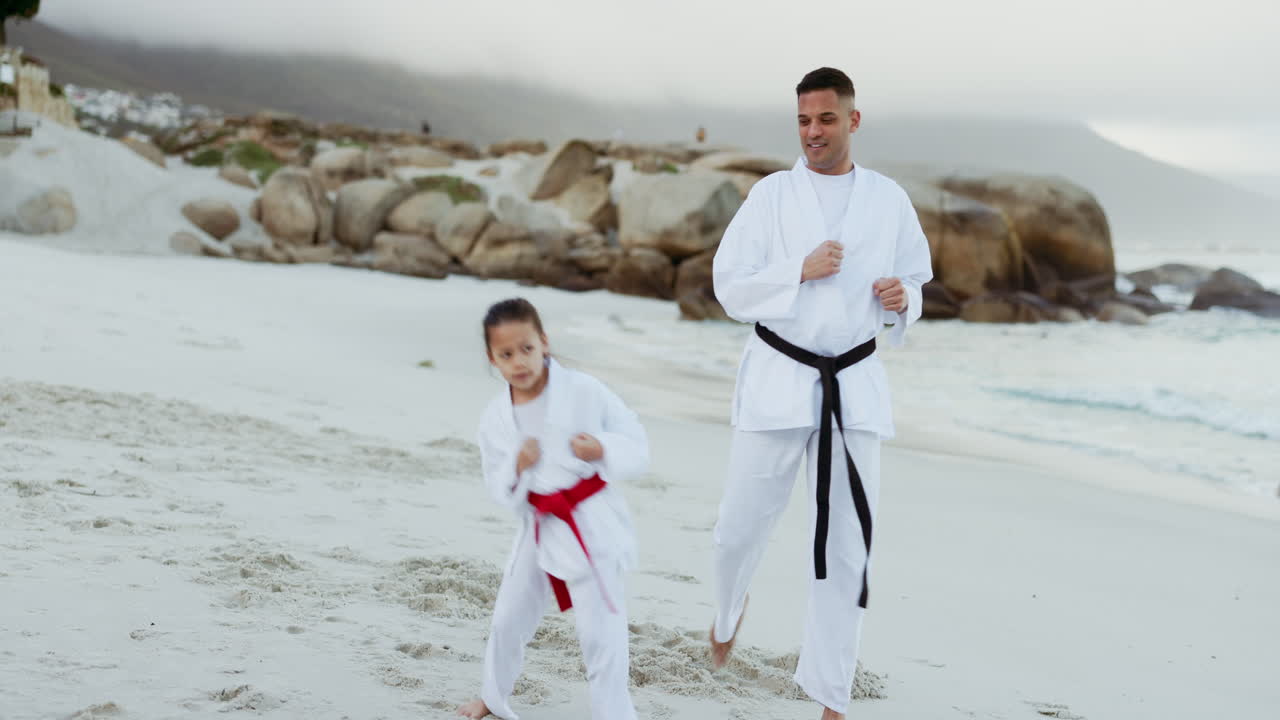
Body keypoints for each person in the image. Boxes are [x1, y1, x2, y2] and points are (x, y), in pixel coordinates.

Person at [708, 66, 933, 719]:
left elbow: (915, 279)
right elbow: (729, 285)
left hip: (855, 383)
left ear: (852, 121)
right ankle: (728, 608)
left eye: (826, 119)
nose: (813, 131)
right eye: (804, 120)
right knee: (736, 530)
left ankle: (830, 692)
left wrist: (903, 301)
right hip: (780, 372)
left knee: (848, 545)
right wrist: (797, 270)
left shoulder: (888, 199)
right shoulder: (773, 196)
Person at [457, 298, 648, 720]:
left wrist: (602, 447)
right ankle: (493, 697)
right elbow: (497, 485)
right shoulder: (496, 419)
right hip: (539, 522)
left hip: (590, 523)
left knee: (602, 634)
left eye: (526, 348)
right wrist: (516, 466)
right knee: (508, 617)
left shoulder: (583, 391)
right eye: (506, 354)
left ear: (543, 342)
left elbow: (635, 438)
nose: (519, 361)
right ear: (493, 359)